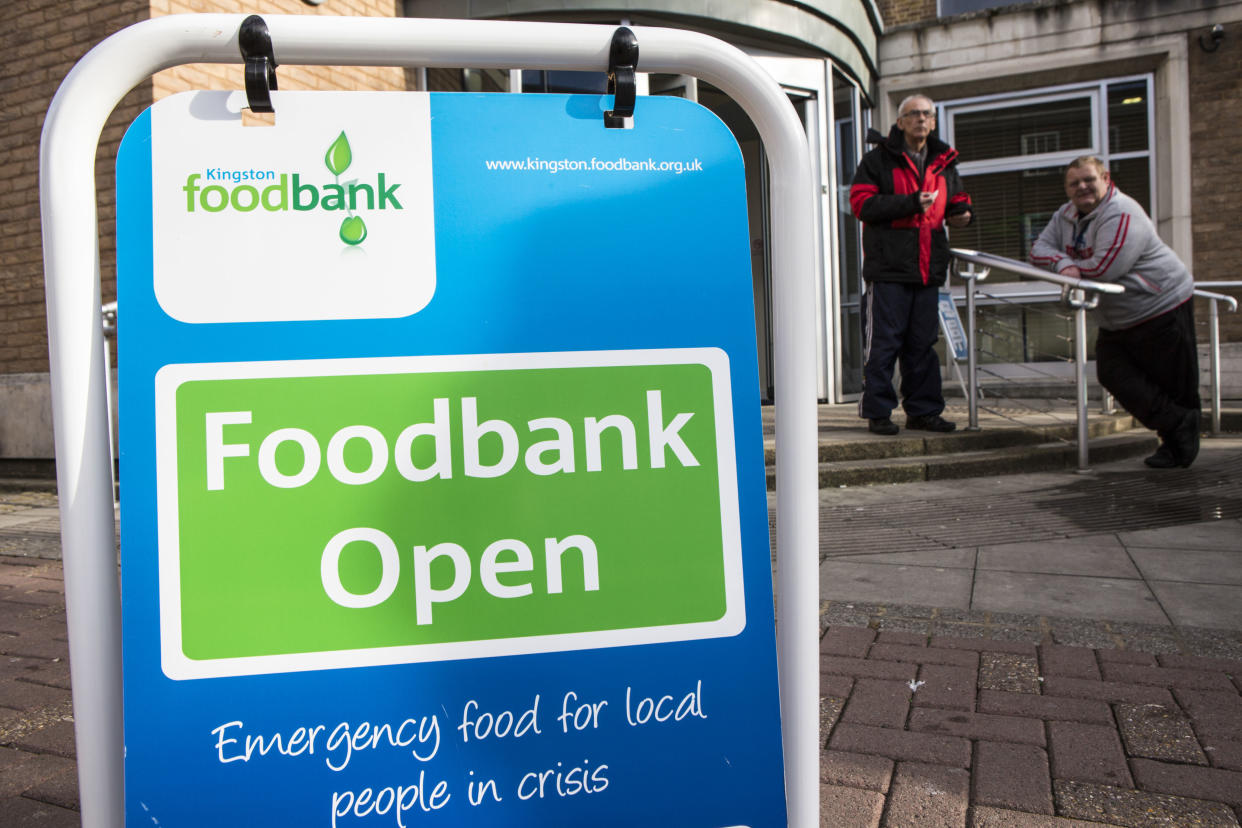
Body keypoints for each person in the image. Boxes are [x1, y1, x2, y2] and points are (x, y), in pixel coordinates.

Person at [1030, 155, 1200, 468]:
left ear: (1105, 178)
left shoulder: (1122, 212)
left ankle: (1178, 447)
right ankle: (1179, 425)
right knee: (1112, 373)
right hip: (1117, 317)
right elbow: (1037, 250)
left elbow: (1104, 269)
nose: (1082, 187)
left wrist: (1070, 269)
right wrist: (1063, 264)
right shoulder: (1065, 215)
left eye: (1089, 180)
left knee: (1172, 383)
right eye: (1074, 183)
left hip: (1161, 305)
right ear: (1067, 189)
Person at [850, 94, 974, 436]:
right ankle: (878, 412)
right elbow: (861, 204)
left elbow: (958, 197)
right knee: (883, 345)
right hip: (888, 268)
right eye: (913, 114)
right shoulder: (877, 160)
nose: (921, 119)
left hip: (928, 268)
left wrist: (963, 213)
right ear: (900, 122)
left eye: (926, 114)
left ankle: (923, 412)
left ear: (933, 122)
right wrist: (910, 203)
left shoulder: (943, 160)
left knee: (922, 345)